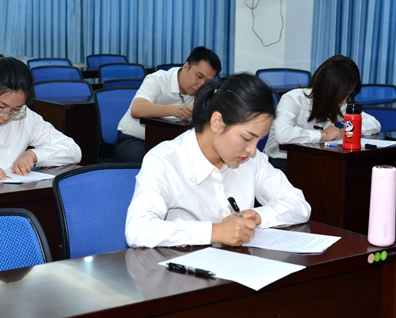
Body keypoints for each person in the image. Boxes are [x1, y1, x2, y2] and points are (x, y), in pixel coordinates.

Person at [125, 72, 311, 248]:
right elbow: (138, 229)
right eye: (247, 138)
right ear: (217, 122)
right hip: (183, 266)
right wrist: (215, 232)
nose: (252, 150)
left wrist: (256, 217)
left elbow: (299, 205)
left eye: (259, 140)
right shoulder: (165, 161)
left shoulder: (252, 159)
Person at [264, 55, 381, 171]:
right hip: (282, 163)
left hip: (317, 161)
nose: (345, 101)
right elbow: (283, 135)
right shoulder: (292, 99)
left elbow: (374, 124)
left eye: (348, 96)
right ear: (329, 89)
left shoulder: (337, 105)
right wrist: (323, 135)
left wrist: (346, 131)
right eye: (343, 95)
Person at [114, 46, 222, 163]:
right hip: (134, 139)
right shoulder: (158, 80)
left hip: (170, 145)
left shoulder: (204, 92)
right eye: (199, 76)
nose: (201, 84)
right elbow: (137, 109)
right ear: (186, 67)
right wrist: (173, 110)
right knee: (149, 163)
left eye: (207, 82)